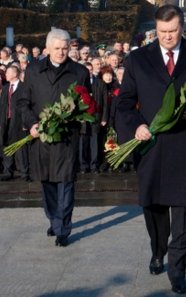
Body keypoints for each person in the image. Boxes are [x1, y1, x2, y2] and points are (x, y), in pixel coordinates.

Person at [115, 5, 186, 294]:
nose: (168, 37)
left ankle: (177, 268)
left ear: (182, 28)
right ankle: (158, 249)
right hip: (151, 145)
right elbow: (124, 103)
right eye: (162, 32)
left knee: (183, 209)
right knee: (153, 206)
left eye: (172, 31)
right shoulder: (138, 60)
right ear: (154, 30)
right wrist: (136, 126)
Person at [18, 28, 91, 247]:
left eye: (65, 48)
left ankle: (63, 228)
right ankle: (54, 219)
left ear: (70, 48)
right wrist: (32, 123)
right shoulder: (33, 70)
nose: (61, 52)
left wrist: (75, 116)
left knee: (66, 182)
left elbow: (85, 102)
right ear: (47, 48)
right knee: (48, 182)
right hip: (42, 137)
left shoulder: (79, 72)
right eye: (57, 48)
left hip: (67, 137)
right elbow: (23, 102)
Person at [0, 65, 30, 182]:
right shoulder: (6, 88)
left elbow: (27, 106)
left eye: (7, 72)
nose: (5, 75)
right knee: (7, 146)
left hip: (18, 122)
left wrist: (25, 123)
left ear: (14, 74)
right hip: (5, 122)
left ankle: (24, 172)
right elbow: (2, 106)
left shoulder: (24, 87)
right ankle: (8, 171)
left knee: (20, 147)